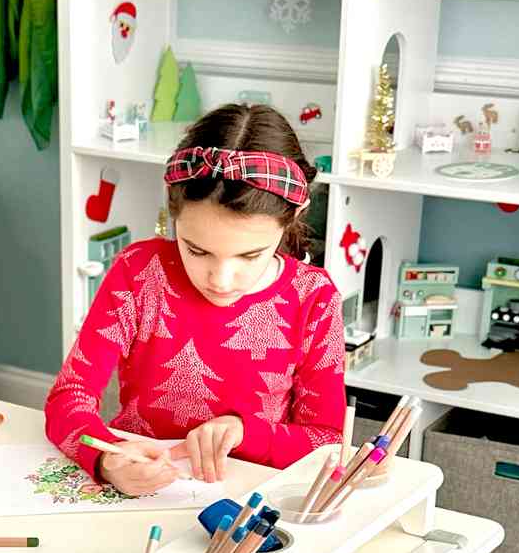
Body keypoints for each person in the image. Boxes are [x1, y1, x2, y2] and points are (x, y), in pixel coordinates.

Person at [45, 102, 344, 493]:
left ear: (294, 215)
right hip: (138, 497)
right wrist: (107, 458)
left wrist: (244, 433)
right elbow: (69, 398)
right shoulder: (139, 271)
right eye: (197, 250)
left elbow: (327, 440)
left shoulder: (314, 298)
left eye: (249, 255)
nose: (220, 279)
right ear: (173, 212)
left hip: (249, 504)